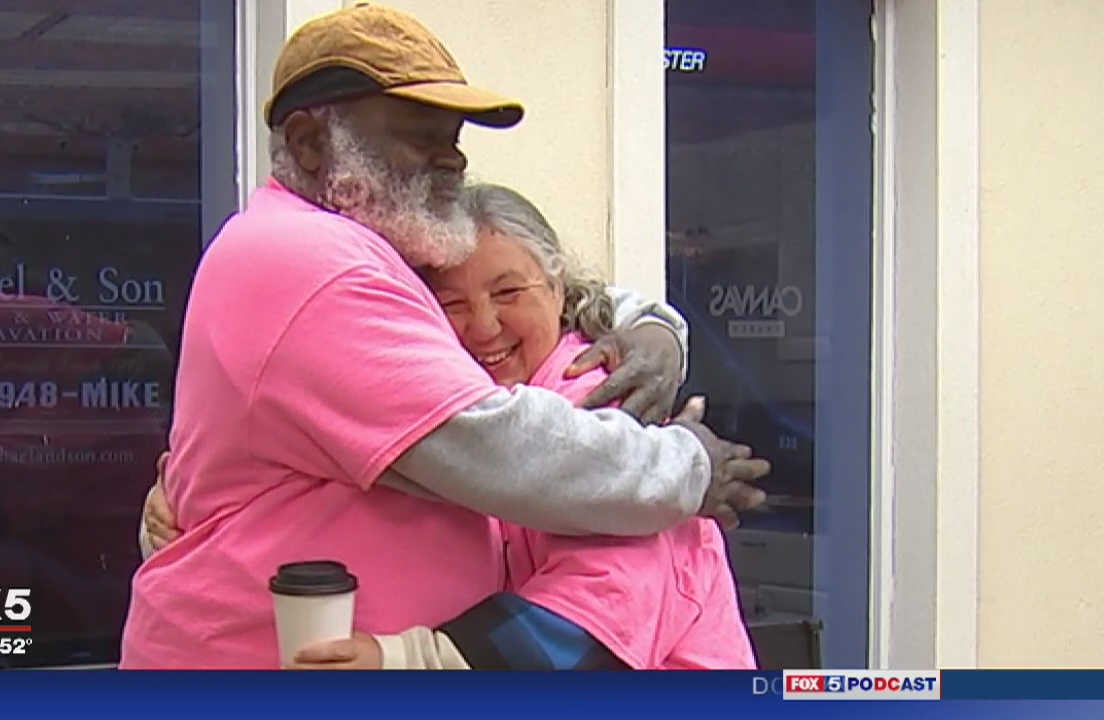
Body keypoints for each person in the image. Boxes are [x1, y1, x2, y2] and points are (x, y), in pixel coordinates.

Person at [119, 4, 768, 670]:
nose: (452, 158)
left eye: (454, 136)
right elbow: (489, 444)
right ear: (312, 143)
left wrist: (649, 327)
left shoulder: (363, 251)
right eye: (418, 134)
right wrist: (688, 467)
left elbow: (544, 305)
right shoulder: (313, 263)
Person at [143, 184, 760, 670]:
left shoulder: (610, 410)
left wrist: (409, 660)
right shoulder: (457, 418)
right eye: (452, 304)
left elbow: (598, 620)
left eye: (508, 291)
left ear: (559, 286)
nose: (483, 325)